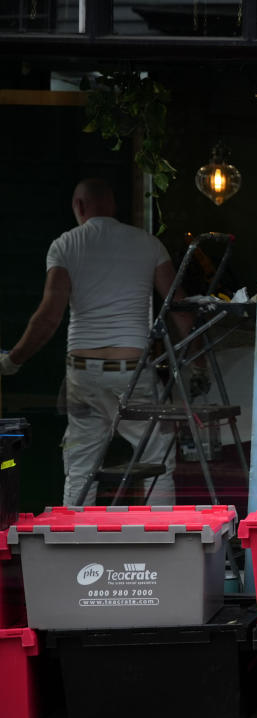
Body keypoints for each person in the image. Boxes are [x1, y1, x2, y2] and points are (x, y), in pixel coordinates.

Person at [0, 178, 185, 506]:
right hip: (133, 373)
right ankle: (163, 544)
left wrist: (13, 360)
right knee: (157, 458)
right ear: (112, 206)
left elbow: (48, 317)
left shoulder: (66, 245)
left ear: (79, 207)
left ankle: (75, 549)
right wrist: (195, 361)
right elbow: (180, 309)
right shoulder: (149, 244)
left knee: (80, 466)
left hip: (83, 374)